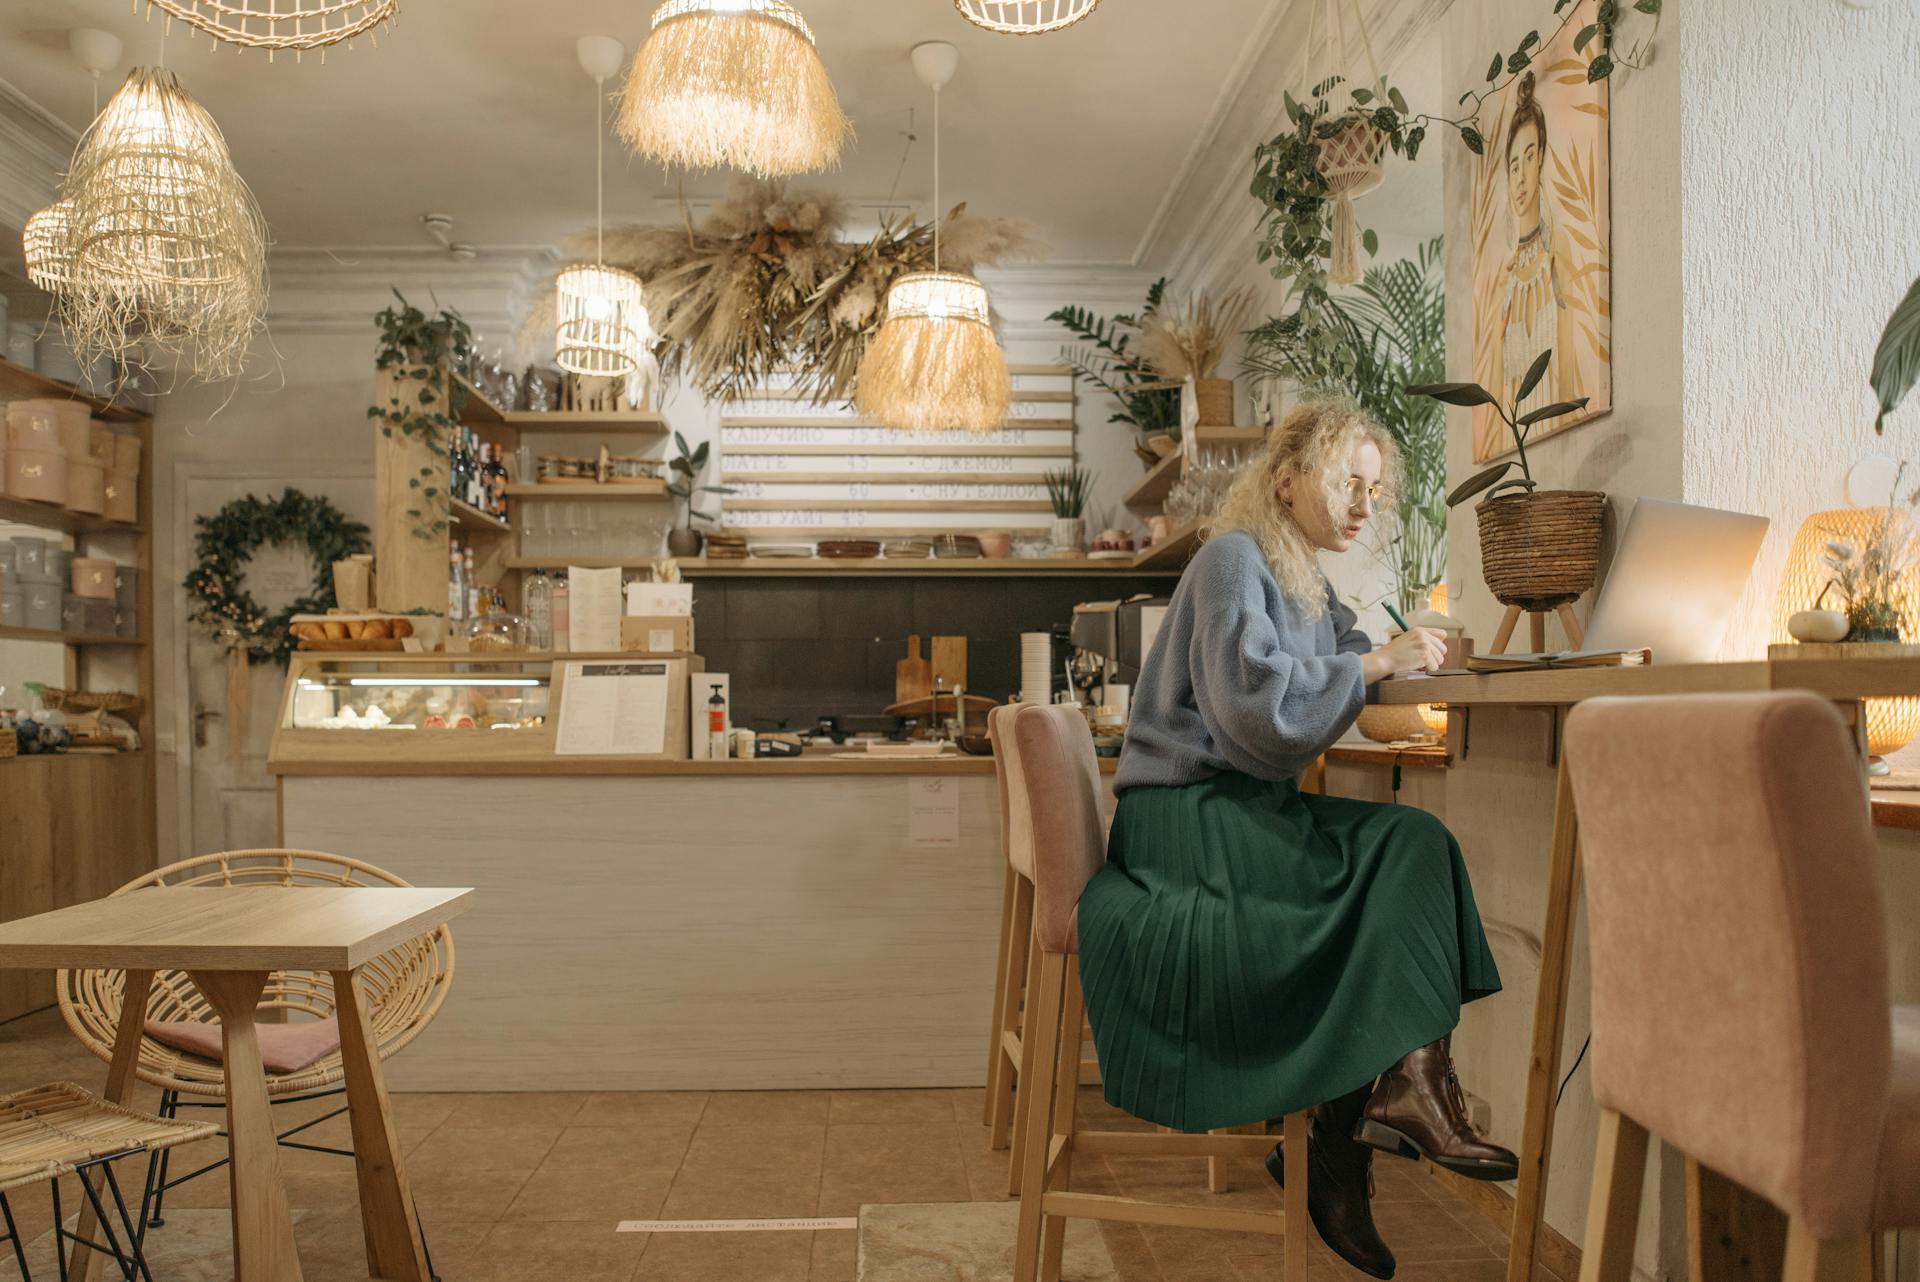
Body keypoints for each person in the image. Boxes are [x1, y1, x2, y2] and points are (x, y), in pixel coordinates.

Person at [1076, 401, 1515, 1281]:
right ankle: (1354, 1130)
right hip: (1190, 820)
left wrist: (1406, 664)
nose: (1362, 504)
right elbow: (1254, 709)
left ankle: (1383, 1101)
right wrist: (1382, 664)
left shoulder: (1307, 582)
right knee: (1382, 874)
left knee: (1415, 846)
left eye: (1373, 489)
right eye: (1345, 483)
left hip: (1245, 813)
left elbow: (1352, 667)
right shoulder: (1234, 561)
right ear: (1286, 479)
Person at [1496, 69, 1578, 419]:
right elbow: (1500, 404)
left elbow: (1570, 374)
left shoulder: (1557, 254)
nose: (1521, 177)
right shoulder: (1506, 279)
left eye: (1529, 157)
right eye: (1514, 166)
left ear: (1542, 157)